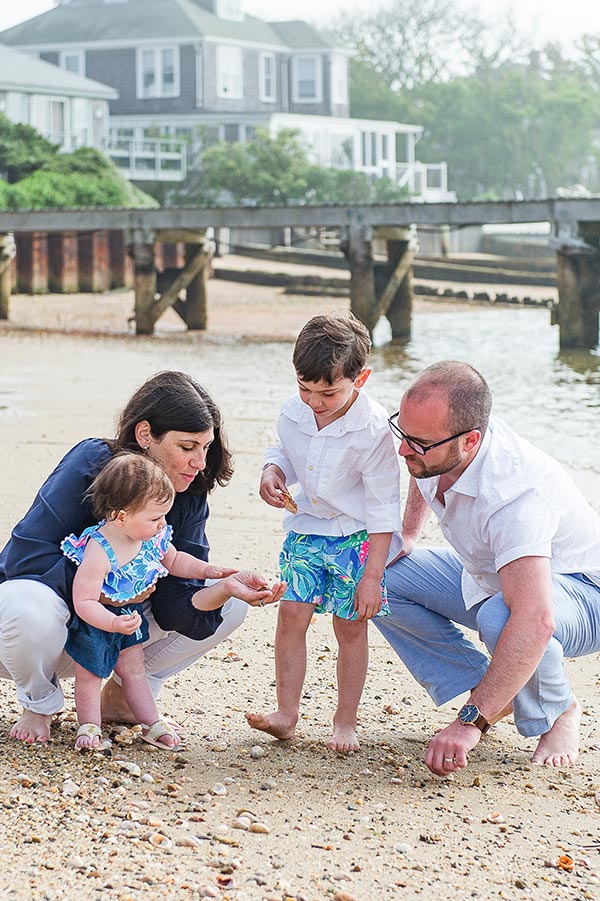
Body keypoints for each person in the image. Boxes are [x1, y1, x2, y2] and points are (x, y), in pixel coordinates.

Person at [0, 370, 285, 744]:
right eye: (187, 447)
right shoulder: (92, 462)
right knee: (24, 604)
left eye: (206, 447)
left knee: (229, 601)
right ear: (145, 434)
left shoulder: (187, 493)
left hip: (118, 635)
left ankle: (125, 696)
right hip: (30, 636)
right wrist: (100, 590)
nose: (200, 462)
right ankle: (38, 704)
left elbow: (175, 604)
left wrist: (224, 587)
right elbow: (24, 559)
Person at [376, 359, 600, 775]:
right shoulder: (435, 445)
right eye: (402, 433)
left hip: (584, 592)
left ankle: (559, 711)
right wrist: (408, 532)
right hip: (489, 574)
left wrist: (468, 725)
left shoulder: (516, 496)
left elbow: (535, 619)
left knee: (506, 616)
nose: (404, 450)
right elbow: (422, 470)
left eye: (418, 443)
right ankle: (495, 689)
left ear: (470, 441)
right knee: (378, 576)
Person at [246, 313, 402, 752]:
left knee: (350, 627)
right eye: (305, 388)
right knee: (290, 616)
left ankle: (345, 721)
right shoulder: (293, 409)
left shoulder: (373, 431)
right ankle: (286, 714)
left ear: (361, 378)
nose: (314, 401)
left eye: (328, 392)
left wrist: (373, 576)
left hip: (356, 538)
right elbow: (284, 450)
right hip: (306, 530)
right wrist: (272, 472)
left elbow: (384, 508)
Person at [63, 453, 243, 751]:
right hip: (97, 620)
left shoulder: (149, 536)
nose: (162, 524)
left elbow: (175, 560)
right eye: (155, 518)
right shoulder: (99, 549)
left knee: (134, 667)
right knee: (90, 673)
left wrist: (207, 570)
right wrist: (112, 622)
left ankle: (150, 721)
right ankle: (89, 725)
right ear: (121, 517)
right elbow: (83, 600)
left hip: (128, 616)